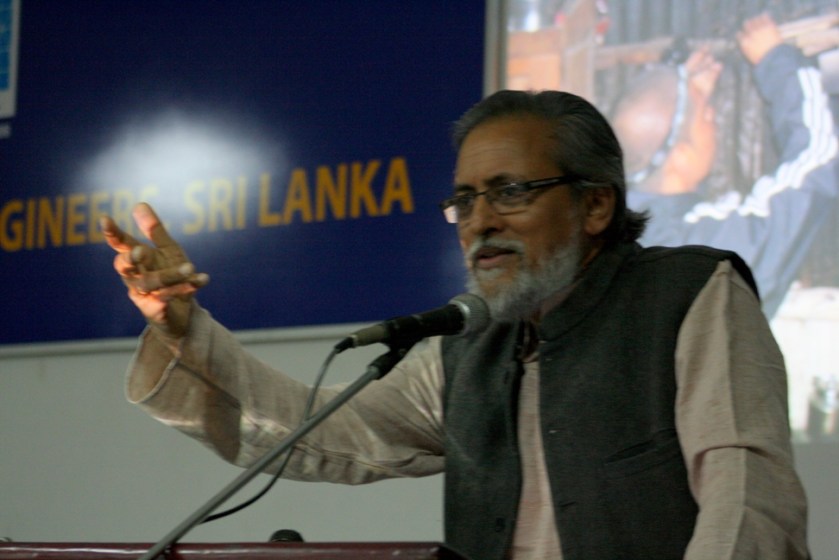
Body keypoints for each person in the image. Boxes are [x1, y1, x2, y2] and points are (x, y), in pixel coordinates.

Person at [102, 88, 809, 559]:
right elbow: (319, 434)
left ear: (596, 207)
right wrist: (179, 330)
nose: (480, 223)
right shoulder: (469, 344)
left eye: (510, 192)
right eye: (465, 200)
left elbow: (746, 500)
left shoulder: (687, 294)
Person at [612, 14, 839, 318]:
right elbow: (817, 159)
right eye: (707, 116)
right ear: (680, 156)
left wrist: (685, 96)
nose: (714, 120)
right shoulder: (712, 260)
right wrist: (776, 61)